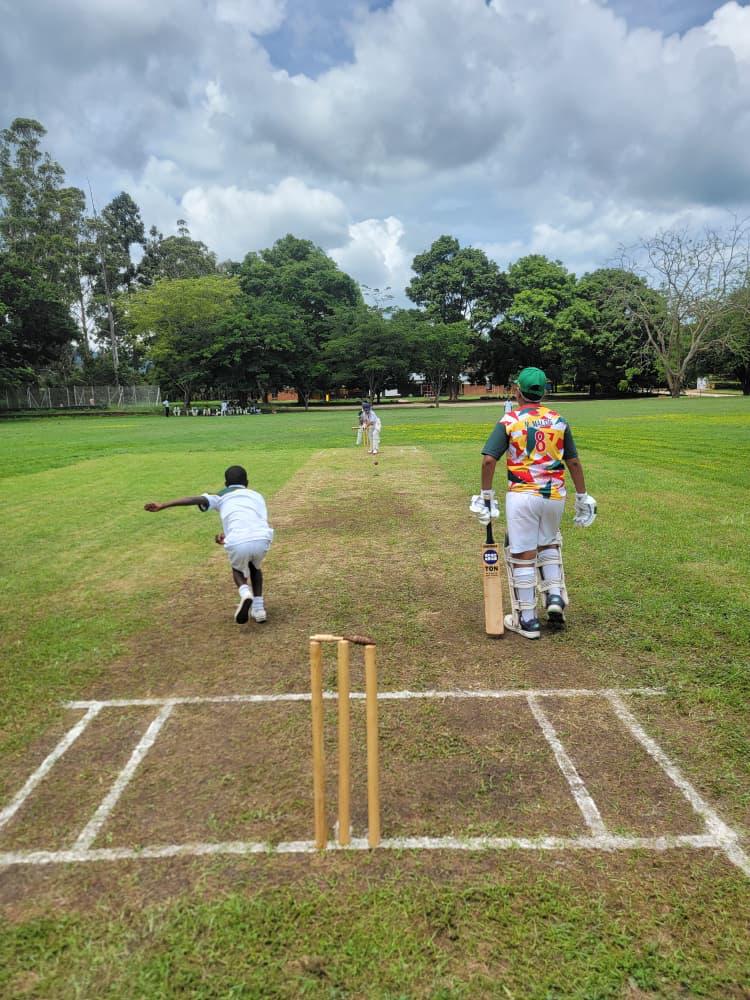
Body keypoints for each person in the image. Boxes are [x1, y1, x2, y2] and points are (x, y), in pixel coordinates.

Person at [470, 367, 596, 640]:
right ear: (544, 391)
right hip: (554, 496)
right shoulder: (558, 420)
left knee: (523, 553)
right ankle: (553, 596)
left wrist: (486, 495)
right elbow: (572, 461)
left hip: (523, 494)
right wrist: (582, 496)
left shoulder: (510, 420)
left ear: (517, 391)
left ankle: (527, 620)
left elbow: (489, 459)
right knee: (549, 543)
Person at [144, 465, 274, 625]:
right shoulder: (257, 495)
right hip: (262, 537)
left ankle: (245, 593)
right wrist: (228, 537)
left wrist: (163, 505)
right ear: (247, 482)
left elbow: (193, 500)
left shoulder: (220, 496)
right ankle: (259, 610)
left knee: (237, 570)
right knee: (255, 567)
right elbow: (250, 520)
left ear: (226, 483)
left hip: (239, 540)